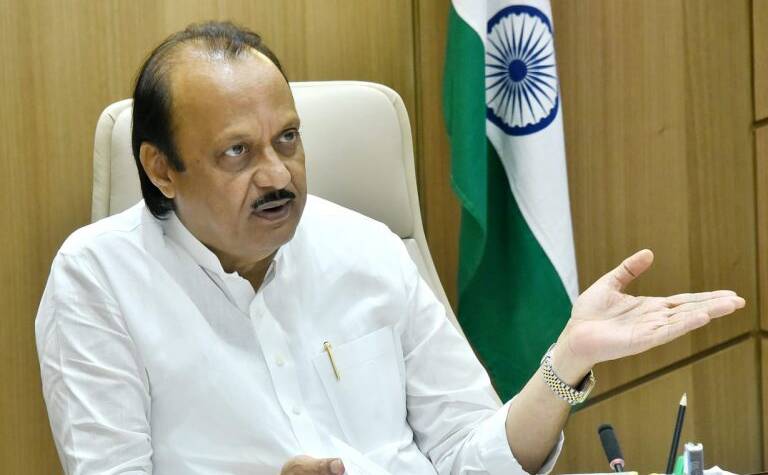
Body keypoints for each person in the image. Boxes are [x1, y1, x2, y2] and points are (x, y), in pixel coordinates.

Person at [35, 21, 744, 475]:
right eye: (236, 153)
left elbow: (469, 454)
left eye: (288, 139)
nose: (278, 175)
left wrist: (567, 360)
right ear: (161, 169)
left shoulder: (367, 246)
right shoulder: (98, 280)